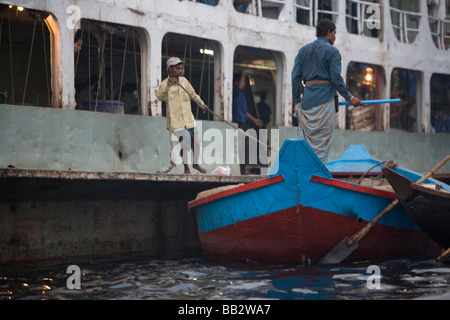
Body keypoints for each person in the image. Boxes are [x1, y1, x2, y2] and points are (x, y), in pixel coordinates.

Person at [292, 18, 362, 164]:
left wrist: (297, 100)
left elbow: (295, 78)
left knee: (306, 143)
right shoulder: (333, 52)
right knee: (321, 145)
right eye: (334, 34)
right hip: (325, 102)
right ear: (328, 32)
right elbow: (336, 79)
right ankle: (317, 174)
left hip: (307, 102)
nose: (335, 37)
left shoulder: (303, 50)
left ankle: (305, 172)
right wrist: (350, 98)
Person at [156, 57, 208, 174]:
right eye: (177, 68)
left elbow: (193, 94)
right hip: (176, 122)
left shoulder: (184, 81)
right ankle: (186, 169)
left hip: (189, 119)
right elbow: (159, 97)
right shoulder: (165, 84)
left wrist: (202, 105)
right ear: (170, 69)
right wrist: (169, 85)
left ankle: (195, 164)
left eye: (181, 68)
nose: (180, 71)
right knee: (185, 145)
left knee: (197, 143)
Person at [232, 69, 263, 174]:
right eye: (243, 81)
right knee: (239, 147)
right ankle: (240, 169)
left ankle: (243, 169)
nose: (244, 84)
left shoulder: (242, 95)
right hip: (237, 124)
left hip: (244, 123)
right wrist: (243, 73)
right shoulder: (235, 92)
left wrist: (254, 120)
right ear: (236, 82)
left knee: (245, 147)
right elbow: (239, 86)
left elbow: (244, 111)